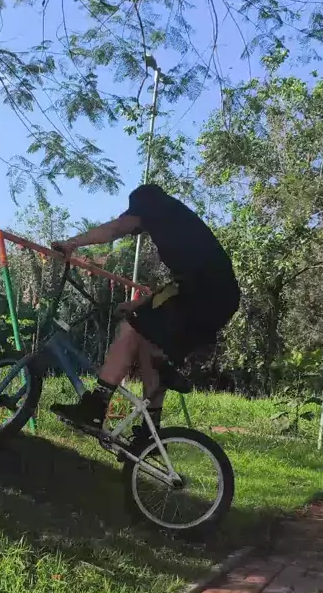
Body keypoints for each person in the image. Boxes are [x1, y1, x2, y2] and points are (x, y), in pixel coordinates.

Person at [51, 183, 240, 433]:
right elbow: (179, 285)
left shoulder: (155, 207)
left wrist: (72, 243)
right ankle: (150, 432)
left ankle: (95, 408)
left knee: (130, 329)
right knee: (151, 348)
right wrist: (138, 303)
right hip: (218, 298)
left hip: (204, 295)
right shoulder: (177, 222)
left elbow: (116, 228)